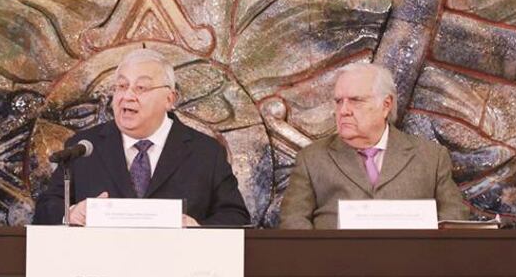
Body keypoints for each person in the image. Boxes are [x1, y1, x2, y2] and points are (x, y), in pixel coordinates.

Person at [33, 48, 250, 226]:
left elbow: (235, 217)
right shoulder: (84, 148)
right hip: (101, 272)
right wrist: (70, 214)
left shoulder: (205, 152)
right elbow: (46, 209)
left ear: (169, 98)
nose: (127, 96)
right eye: (121, 86)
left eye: (141, 88)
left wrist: (197, 229)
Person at [279, 63, 468, 229]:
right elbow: (293, 223)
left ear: (386, 105)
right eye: (338, 101)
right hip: (336, 266)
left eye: (356, 100)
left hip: (412, 265)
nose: (343, 111)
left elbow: (455, 221)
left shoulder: (430, 157)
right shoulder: (312, 159)